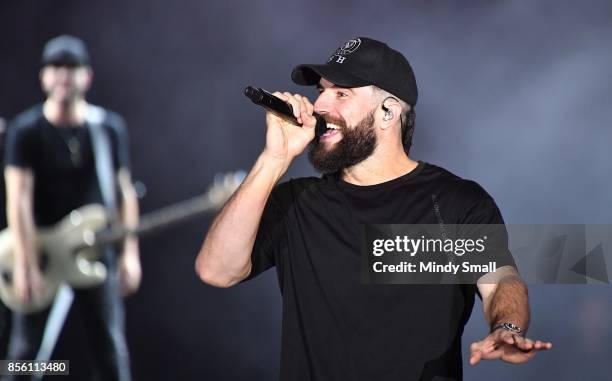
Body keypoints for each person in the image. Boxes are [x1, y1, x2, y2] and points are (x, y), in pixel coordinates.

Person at [195, 37, 552, 380]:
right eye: (320, 91)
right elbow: (216, 270)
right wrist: (273, 159)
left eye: (341, 94)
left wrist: (506, 327)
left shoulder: (455, 201)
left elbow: (501, 281)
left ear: (388, 111)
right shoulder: (296, 202)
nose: (320, 106)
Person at [3, 35, 140, 381]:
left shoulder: (107, 128)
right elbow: (17, 198)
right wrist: (25, 262)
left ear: (87, 77)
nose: (63, 76)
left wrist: (129, 253)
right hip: (42, 253)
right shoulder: (26, 130)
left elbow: (124, 194)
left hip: (95, 253)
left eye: (71, 68)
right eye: (55, 68)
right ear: (44, 77)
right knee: (24, 355)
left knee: (110, 352)